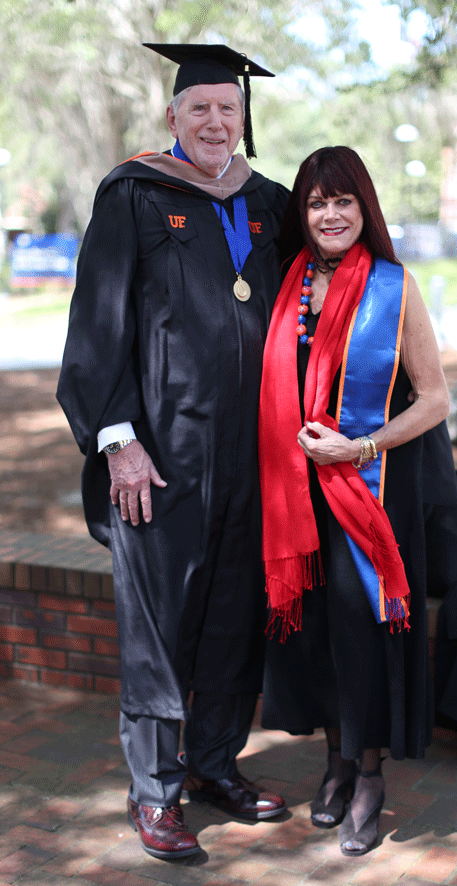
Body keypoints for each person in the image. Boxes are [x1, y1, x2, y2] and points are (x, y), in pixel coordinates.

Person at [57, 43, 289, 861]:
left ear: (244, 117)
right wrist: (118, 442)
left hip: (255, 458)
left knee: (234, 613)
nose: (216, 121)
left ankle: (217, 764)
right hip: (160, 456)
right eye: (201, 108)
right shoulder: (135, 194)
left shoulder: (269, 202)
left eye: (229, 108)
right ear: (173, 117)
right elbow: (96, 325)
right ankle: (153, 792)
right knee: (158, 624)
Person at [258, 146, 450, 856]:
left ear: (364, 207)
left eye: (343, 200)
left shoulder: (394, 288)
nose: (330, 214)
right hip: (297, 494)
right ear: (301, 215)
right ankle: (336, 761)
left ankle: (369, 774)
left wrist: (361, 449)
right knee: (319, 635)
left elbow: (434, 400)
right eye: (316, 202)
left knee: (363, 634)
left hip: (368, 491)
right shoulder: (287, 285)